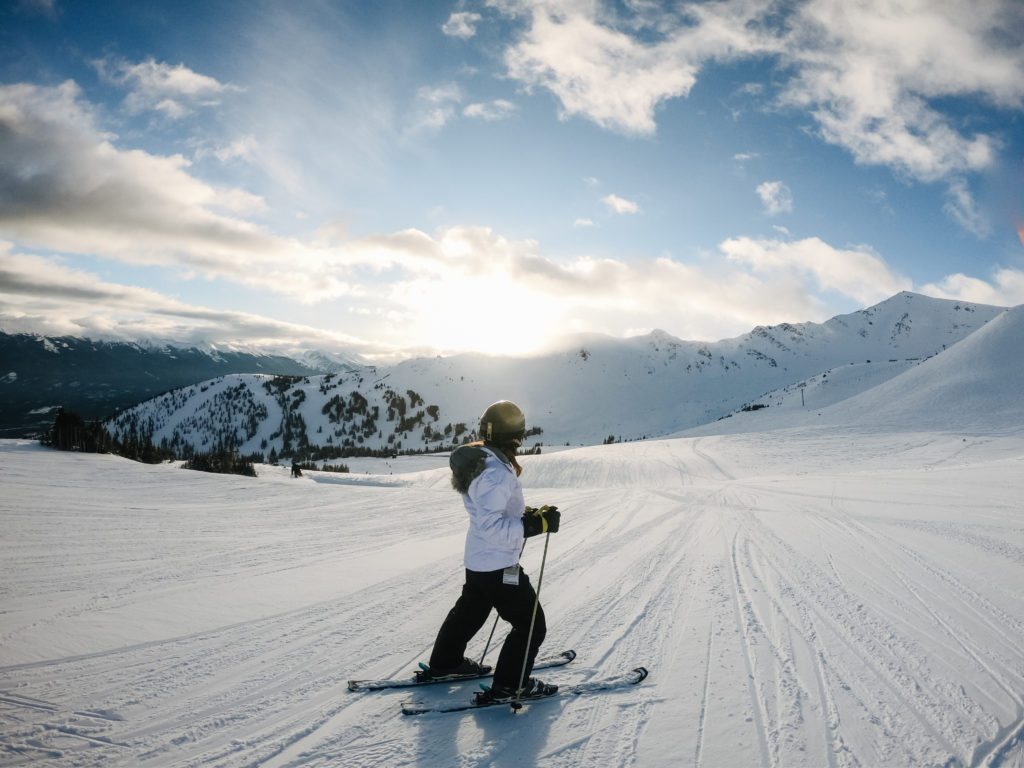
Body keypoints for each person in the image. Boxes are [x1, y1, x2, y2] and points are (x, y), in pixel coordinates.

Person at [425, 400, 561, 704]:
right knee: (530, 625)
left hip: (480, 560)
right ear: (516, 435)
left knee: (470, 612)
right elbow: (492, 525)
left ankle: (445, 664)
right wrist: (535, 526)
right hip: (497, 563)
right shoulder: (496, 471)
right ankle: (511, 686)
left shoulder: (485, 460)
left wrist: (528, 515)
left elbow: (492, 511)